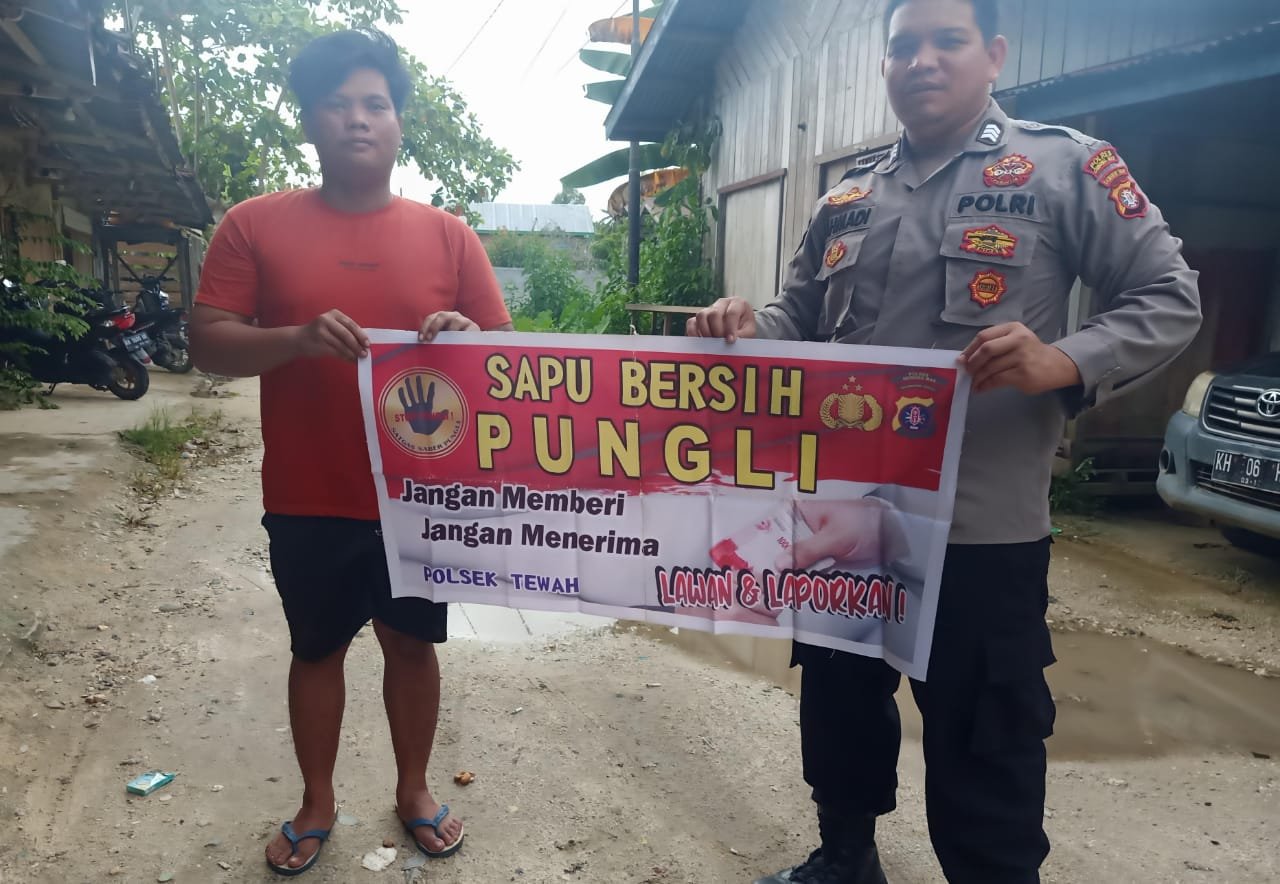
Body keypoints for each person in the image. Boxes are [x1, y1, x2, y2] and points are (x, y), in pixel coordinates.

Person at [688, 1, 1201, 882]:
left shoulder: (1064, 167)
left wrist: (1063, 360)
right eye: (903, 47)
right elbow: (796, 318)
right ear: (885, 67)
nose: (922, 61)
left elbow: (1170, 295)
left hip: (979, 527)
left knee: (983, 734)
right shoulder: (847, 195)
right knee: (839, 699)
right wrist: (742, 324)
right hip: (846, 514)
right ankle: (845, 858)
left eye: (947, 41)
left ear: (993, 54)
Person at [189, 29, 513, 877]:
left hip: (421, 496)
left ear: (399, 122)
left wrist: (466, 336)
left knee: (412, 646)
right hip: (308, 491)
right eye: (338, 104)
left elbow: (507, 359)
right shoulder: (253, 225)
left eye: (375, 104)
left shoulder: (449, 237)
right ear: (310, 121)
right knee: (316, 650)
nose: (358, 119)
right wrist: (296, 338)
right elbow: (208, 341)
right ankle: (316, 802)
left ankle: (414, 790)